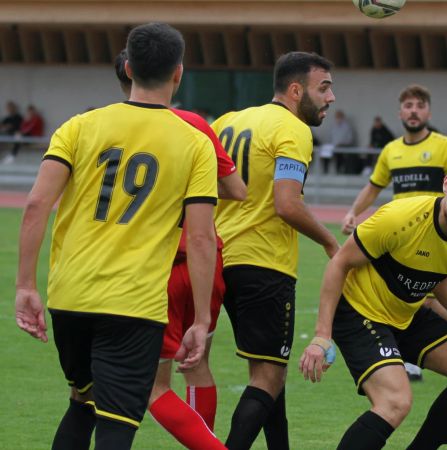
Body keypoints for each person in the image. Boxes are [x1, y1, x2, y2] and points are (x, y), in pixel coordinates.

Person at [15, 22, 218, 449]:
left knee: (81, 402)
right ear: (178, 73)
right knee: (116, 424)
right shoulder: (194, 142)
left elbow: (36, 205)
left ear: (127, 67)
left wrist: (25, 286)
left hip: (69, 296)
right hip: (134, 305)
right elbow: (201, 238)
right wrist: (201, 320)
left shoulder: (79, 125)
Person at [301, 158, 447, 450]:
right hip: (359, 311)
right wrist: (321, 336)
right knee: (395, 402)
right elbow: (339, 263)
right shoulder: (400, 219)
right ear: (446, 184)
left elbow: (441, 273)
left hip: (405, 313)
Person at [113, 49, 244, 449]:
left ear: (127, 76)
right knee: (198, 362)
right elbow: (238, 190)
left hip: (160, 266)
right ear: (175, 73)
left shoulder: (108, 127)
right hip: (207, 261)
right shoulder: (193, 124)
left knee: (154, 386)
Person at [212, 51, 340, 450]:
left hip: (220, 258)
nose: (331, 98)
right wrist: (330, 241)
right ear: (296, 89)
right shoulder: (294, 129)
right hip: (264, 264)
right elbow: (287, 205)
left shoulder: (227, 121)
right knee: (267, 378)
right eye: (324, 87)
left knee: (270, 371)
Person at [341, 84, 447, 381]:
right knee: (414, 296)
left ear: (428, 112)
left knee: (428, 298)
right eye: (408, 105)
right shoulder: (391, 151)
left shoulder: (444, 146)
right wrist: (354, 211)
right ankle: (422, 355)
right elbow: (374, 186)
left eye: (419, 106)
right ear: (400, 113)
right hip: (400, 237)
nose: (413, 111)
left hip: (435, 236)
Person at [330, 109, 357, 174]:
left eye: (339, 117)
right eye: (337, 117)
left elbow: (350, 139)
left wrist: (341, 144)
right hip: (334, 147)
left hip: (344, 146)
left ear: (342, 117)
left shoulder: (347, 127)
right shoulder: (333, 127)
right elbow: (331, 138)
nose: (338, 118)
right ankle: (330, 171)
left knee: (340, 154)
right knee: (325, 152)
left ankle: (341, 170)